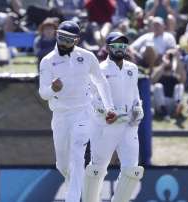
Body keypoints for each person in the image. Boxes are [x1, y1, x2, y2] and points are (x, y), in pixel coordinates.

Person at [38, 20, 117, 202]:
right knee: (63, 164)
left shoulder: (87, 57)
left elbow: (101, 82)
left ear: (76, 40)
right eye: (61, 37)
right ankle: (73, 180)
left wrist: (109, 107)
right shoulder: (48, 61)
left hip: (83, 112)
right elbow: (43, 93)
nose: (63, 42)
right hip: (60, 115)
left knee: (77, 152)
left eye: (68, 39)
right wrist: (53, 89)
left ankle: (72, 199)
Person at [82, 32, 144, 202]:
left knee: (132, 170)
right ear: (108, 48)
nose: (120, 49)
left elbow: (135, 93)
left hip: (129, 125)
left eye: (123, 46)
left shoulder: (132, 68)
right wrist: (105, 113)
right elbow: (90, 97)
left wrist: (139, 108)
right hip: (106, 125)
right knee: (97, 169)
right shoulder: (99, 69)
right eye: (115, 46)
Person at [151, 49, 186, 121]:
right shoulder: (159, 69)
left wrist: (177, 60)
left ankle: (177, 108)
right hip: (159, 103)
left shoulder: (176, 71)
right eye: (168, 56)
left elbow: (182, 80)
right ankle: (165, 113)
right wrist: (164, 64)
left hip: (173, 102)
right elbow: (153, 80)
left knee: (180, 86)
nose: (170, 58)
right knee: (158, 86)